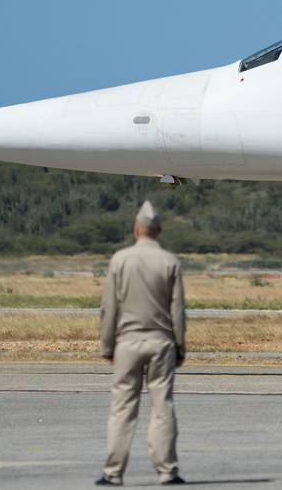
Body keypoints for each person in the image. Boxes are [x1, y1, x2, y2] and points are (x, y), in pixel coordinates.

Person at [96, 201, 186, 486]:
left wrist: (107, 345)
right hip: (161, 343)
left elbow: (109, 307)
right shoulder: (170, 261)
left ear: (137, 229)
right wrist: (180, 346)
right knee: (163, 407)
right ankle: (167, 471)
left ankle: (113, 472)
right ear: (158, 230)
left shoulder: (120, 260)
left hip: (127, 342)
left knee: (122, 408)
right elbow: (178, 311)